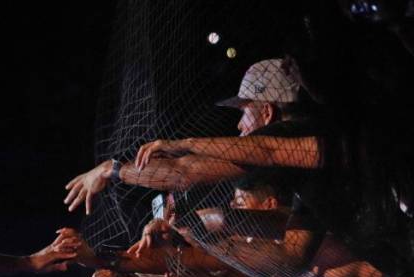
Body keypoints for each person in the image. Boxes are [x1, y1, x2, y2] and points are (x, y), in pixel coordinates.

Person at [63, 58, 304, 215]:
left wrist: (111, 169)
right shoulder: (297, 138)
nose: (240, 125)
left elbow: (182, 172)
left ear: (267, 111)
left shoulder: (283, 145)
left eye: (244, 111)